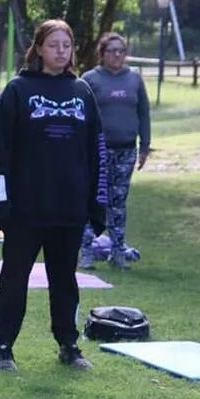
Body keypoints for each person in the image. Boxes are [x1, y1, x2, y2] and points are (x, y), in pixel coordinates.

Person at [0, 19, 107, 372]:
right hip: (25, 209)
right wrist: (1, 202)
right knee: (14, 277)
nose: (60, 51)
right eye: (53, 45)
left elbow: (97, 152)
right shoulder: (17, 90)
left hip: (68, 208)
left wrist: (97, 204)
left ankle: (68, 344)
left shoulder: (82, 92)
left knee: (65, 279)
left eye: (66, 46)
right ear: (38, 48)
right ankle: (3, 346)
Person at [78, 32, 151, 270]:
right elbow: (80, 115)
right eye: (112, 51)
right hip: (98, 151)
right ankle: (85, 250)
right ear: (102, 54)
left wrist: (145, 146)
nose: (117, 55)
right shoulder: (90, 79)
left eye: (121, 50)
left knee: (118, 201)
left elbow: (143, 113)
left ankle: (118, 251)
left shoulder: (134, 79)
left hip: (126, 150)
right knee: (94, 201)